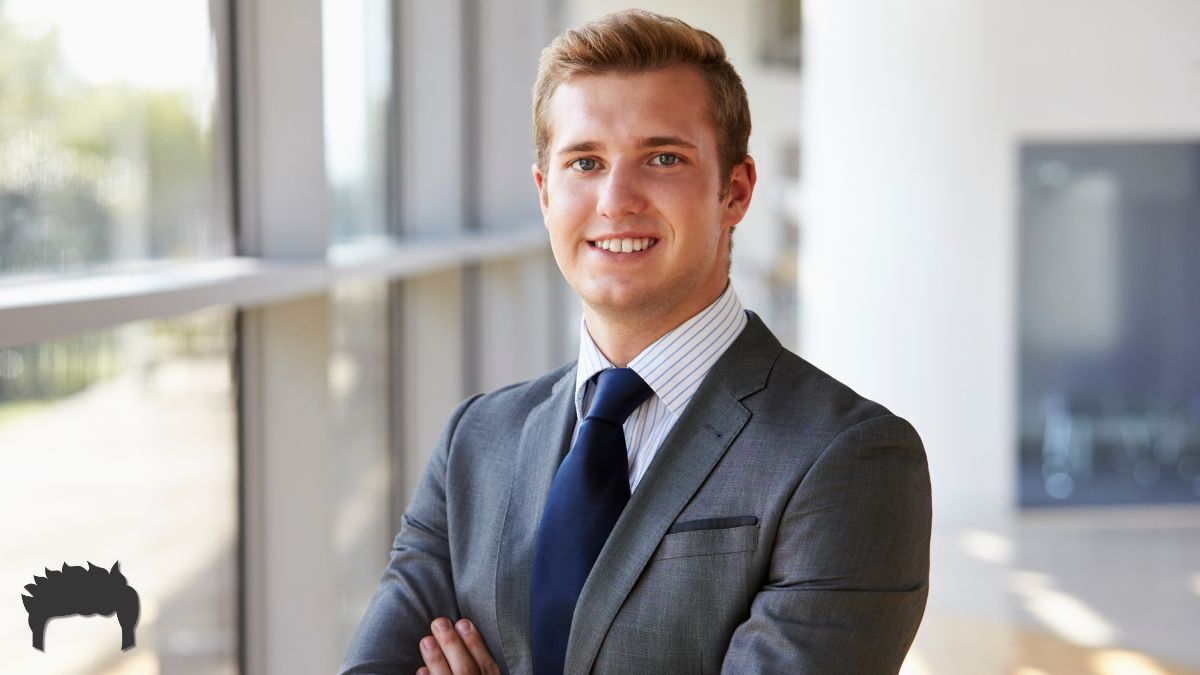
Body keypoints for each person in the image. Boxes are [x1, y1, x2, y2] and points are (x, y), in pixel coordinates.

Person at [341, 9, 930, 675]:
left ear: (734, 190)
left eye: (662, 157)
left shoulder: (849, 457)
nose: (616, 199)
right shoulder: (474, 443)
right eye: (585, 161)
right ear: (544, 193)